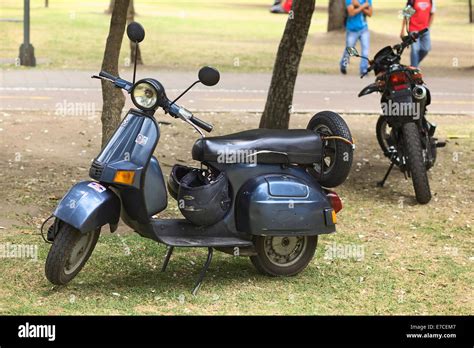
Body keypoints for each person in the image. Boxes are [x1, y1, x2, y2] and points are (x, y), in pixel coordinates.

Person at [340, 0, 373, 75]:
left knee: (365, 50)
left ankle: (363, 69)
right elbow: (351, 13)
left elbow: (370, 13)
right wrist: (364, 6)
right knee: (350, 50)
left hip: (364, 29)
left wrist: (358, 6)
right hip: (352, 29)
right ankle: (343, 64)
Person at [400, 0, 435, 67]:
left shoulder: (430, 1)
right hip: (414, 29)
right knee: (415, 50)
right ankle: (415, 68)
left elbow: (432, 13)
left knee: (426, 49)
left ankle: (413, 66)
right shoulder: (412, 1)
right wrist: (402, 29)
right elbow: (406, 15)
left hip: (424, 30)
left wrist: (428, 27)